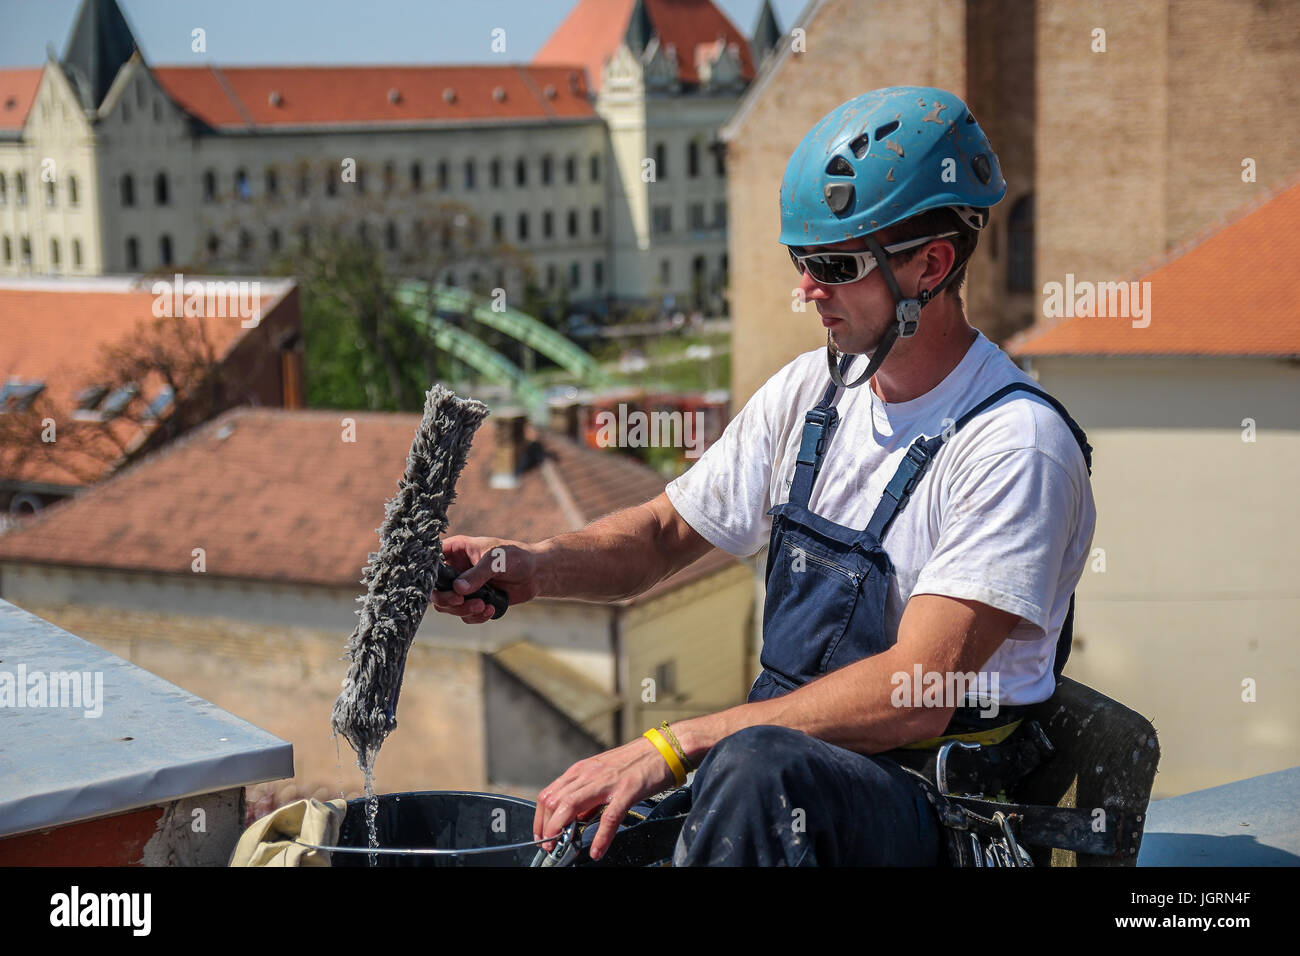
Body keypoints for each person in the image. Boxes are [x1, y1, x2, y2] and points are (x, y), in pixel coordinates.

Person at [431, 86, 1096, 866]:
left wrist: (674, 745)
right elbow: (660, 536)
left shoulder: (1014, 445)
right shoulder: (813, 393)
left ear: (931, 266)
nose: (808, 288)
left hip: (939, 813)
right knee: (589, 843)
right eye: (800, 262)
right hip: (784, 784)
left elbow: (916, 691)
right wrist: (530, 567)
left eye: (835, 264)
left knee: (753, 769)